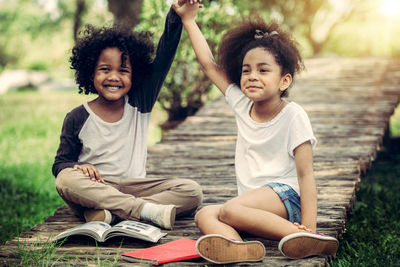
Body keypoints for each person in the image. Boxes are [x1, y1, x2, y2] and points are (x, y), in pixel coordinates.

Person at [174, 1, 339, 264]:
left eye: (263, 70)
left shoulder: (293, 115)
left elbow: (306, 174)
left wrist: (310, 226)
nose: (252, 76)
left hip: (286, 197)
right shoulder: (242, 104)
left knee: (230, 209)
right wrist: (189, 20)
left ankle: (303, 238)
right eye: (246, 70)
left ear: (284, 80)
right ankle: (237, 247)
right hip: (250, 208)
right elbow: (208, 64)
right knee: (204, 215)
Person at [52, 1, 203, 230]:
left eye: (123, 71)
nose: (114, 77)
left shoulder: (139, 103)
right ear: (90, 72)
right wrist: (76, 167)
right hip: (95, 189)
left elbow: (164, 56)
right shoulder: (76, 117)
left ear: (136, 75)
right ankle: (143, 211)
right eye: (105, 69)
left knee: (192, 191)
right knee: (65, 178)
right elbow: (60, 164)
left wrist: (175, 15)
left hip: (135, 186)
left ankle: (112, 215)